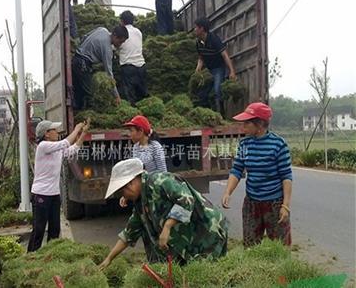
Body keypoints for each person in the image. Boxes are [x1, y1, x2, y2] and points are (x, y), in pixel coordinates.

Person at [99, 158, 228, 269]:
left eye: (123, 192)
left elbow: (186, 200)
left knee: (205, 275)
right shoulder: (141, 202)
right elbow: (129, 234)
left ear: (131, 183)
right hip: (187, 241)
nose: (123, 197)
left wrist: (167, 227)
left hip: (208, 231)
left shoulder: (160, 181)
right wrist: (109, 259)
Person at [221, 102, 293, 247]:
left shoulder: (278, 145)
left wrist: (285, 206)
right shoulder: (244, 144)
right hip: (252, 203)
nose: (243, 127)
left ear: (259, 124)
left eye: (247, 123)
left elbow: (286, 176)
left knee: (279, 247)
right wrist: (227, 192)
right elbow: (237, 170)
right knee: (250, 246)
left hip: (274, 203)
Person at [27, 120, 89, 252]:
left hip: (54, 195)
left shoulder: (56, 149)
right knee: (39, 229)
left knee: (55, 230)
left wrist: (84, 133)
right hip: (41, 195)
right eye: (54, 130)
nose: (57, 132)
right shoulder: (43, 146)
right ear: (46, 134)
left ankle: (51, 256)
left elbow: (73, 149)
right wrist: (77, 128)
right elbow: (66, 143)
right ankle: (31, 257)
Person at [72, 26, 128, 110]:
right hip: (82, 65)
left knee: (78, 91)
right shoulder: (107, 49)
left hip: (76, 59)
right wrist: (116, 96)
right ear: (115, 36)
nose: (120, 44)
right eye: (120, 41)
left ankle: (77, 111)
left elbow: (84, 37)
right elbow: (109, 74)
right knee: (92, 94)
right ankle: (88, 115)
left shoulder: (102, 29)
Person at [119, 115, 167, 207]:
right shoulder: (135, 148)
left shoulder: (155, 147)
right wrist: (127, 195)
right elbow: (135, 173)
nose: (130, 134)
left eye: (131, 131)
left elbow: (163, 173)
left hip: (155, 192)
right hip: (141, 193)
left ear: (140, 131)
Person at [194, 17, 236, 113]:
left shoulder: (214, 39)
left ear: (202, 29)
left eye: (196, 27)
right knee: (203, 93)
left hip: (218, 69)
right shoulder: (198, 42)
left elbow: (225, 55)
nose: (194, 30)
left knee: (217, 91)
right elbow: (201, 58)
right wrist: (197, 70)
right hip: (208, 70)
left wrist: (232, 71)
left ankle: (221, 114)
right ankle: (207, 113)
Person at [119, 10, 149, 105]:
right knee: (142, 96)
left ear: (122, 21)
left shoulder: (121, 32)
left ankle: (133, 117)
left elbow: (116, 46)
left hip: (128, 68)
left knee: (130, 98)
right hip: (141, 66)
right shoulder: (138, 32)